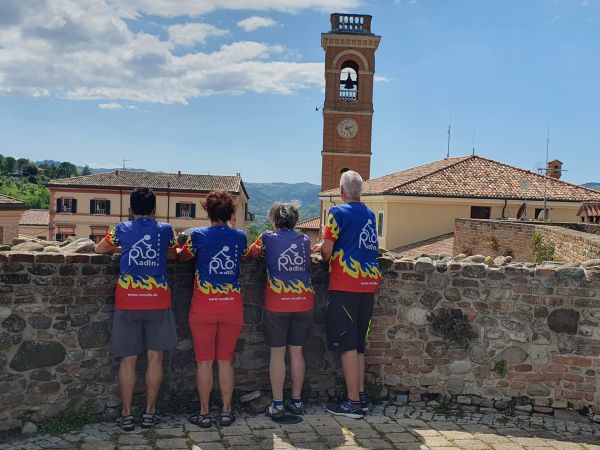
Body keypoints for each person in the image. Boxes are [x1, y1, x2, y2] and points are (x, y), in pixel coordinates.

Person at [95, 187, 178, 431]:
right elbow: (174, 254)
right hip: (158, 300)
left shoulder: (121, 229)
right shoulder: (165, 230)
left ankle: (127, 414)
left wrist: (123, 249)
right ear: (154, 210)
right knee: (155, 358)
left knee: (128, 360)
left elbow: (99, 248)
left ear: (130, 210)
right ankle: (150, 413)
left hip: (128, 300)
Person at [312, 170, 382, 419]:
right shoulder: (371, 215)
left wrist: (323, 249)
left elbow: (328, 251)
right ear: (359, 192)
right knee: (359, 345)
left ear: (341, 192)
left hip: (345, 285)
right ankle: (360, 395)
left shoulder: (336, 212)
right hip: (368, 284)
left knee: (347, 345)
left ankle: (352, 403)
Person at [178, 190, 247, 428]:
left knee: (204, 362)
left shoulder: (197, 235)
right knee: (226, 361)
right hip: (231, 307)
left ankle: (204, 413)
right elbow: (245, 257)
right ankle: (227, 412)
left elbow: (182, 257)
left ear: (208, 211)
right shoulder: (240, 237)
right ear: (231, 212)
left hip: (203, 307)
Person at [246, 202, 314, 418]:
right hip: (303, 300)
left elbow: (250, 253)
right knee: (297, 352)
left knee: (277, 354)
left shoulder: (267, 237)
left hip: (278, 302)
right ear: (294, 221)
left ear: (274, 221)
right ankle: (296, 400)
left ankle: (277, 403)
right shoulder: (304, 239)